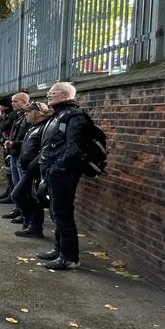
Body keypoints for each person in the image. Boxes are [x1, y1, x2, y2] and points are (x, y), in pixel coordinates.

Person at [37, 82, 93, 271]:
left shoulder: (75, 117)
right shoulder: (60, 115)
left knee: (63, 214)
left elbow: (74, 148)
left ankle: (69, 257)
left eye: (52, 93)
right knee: (56, 213)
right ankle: (59, 249)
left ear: (65, 95)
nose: (48, 96)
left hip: (63, 174)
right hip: (55, 172)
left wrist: (56, 169)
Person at [11, 101, 53, 239]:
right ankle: (33, 226)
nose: (25, 114)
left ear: (37, 112)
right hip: (28, 168)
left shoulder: (45, 127)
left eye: (28, 111)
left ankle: (30, 223)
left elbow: (45, 150)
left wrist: (33, 166)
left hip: (34, 170)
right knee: (31, 198)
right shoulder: (34, 127)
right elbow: (28, 145)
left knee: (18, 194)